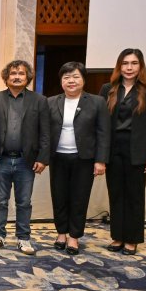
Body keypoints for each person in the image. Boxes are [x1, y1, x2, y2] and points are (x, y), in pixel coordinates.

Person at [100, 49, 146, 255]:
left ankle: (132, 239)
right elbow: (101, 122)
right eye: (125, 63)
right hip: (112, 150)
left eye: (134, 63)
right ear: (119, 66)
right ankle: (118, 236)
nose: (129, 67)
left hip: (138, 150)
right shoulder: (108, 89)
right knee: (116, 194)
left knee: (134, 195)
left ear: (140, 66)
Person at [0, 60, 50, 255]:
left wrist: (43, 158)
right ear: (6, 77)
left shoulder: (39, 100)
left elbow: (45, 132)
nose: (16, 77)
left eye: (21, 73)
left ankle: (23, 238)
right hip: (2, 159)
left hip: (26, 161)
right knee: (0, 200)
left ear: (28, 77)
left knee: (24, 202)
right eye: (13, 73)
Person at [48, 62, 110, 255]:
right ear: (61, 81)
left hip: (84, 159)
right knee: (59, 197)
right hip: (58, 157)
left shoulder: (97, 102)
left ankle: (74, 236)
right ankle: (61, 233)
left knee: (79, 198)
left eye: (75, 77)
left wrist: (100, 160)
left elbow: (103, 133)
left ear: (83, 80)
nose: (71, 81)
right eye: (66, 77)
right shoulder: (51, 102)